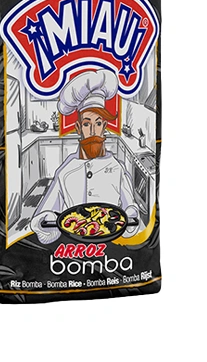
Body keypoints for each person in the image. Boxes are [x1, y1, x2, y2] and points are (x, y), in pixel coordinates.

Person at [30, 70, 146, 244]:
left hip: (111, 244)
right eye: (86, 124)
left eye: (98, 123)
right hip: (72, 245)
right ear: (78, 128)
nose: (93, 131)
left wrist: (130, 216)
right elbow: (45, 217)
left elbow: (130, 210)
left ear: (104, 126)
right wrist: (46, 220)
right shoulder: (65, 171)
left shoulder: (118, 168)